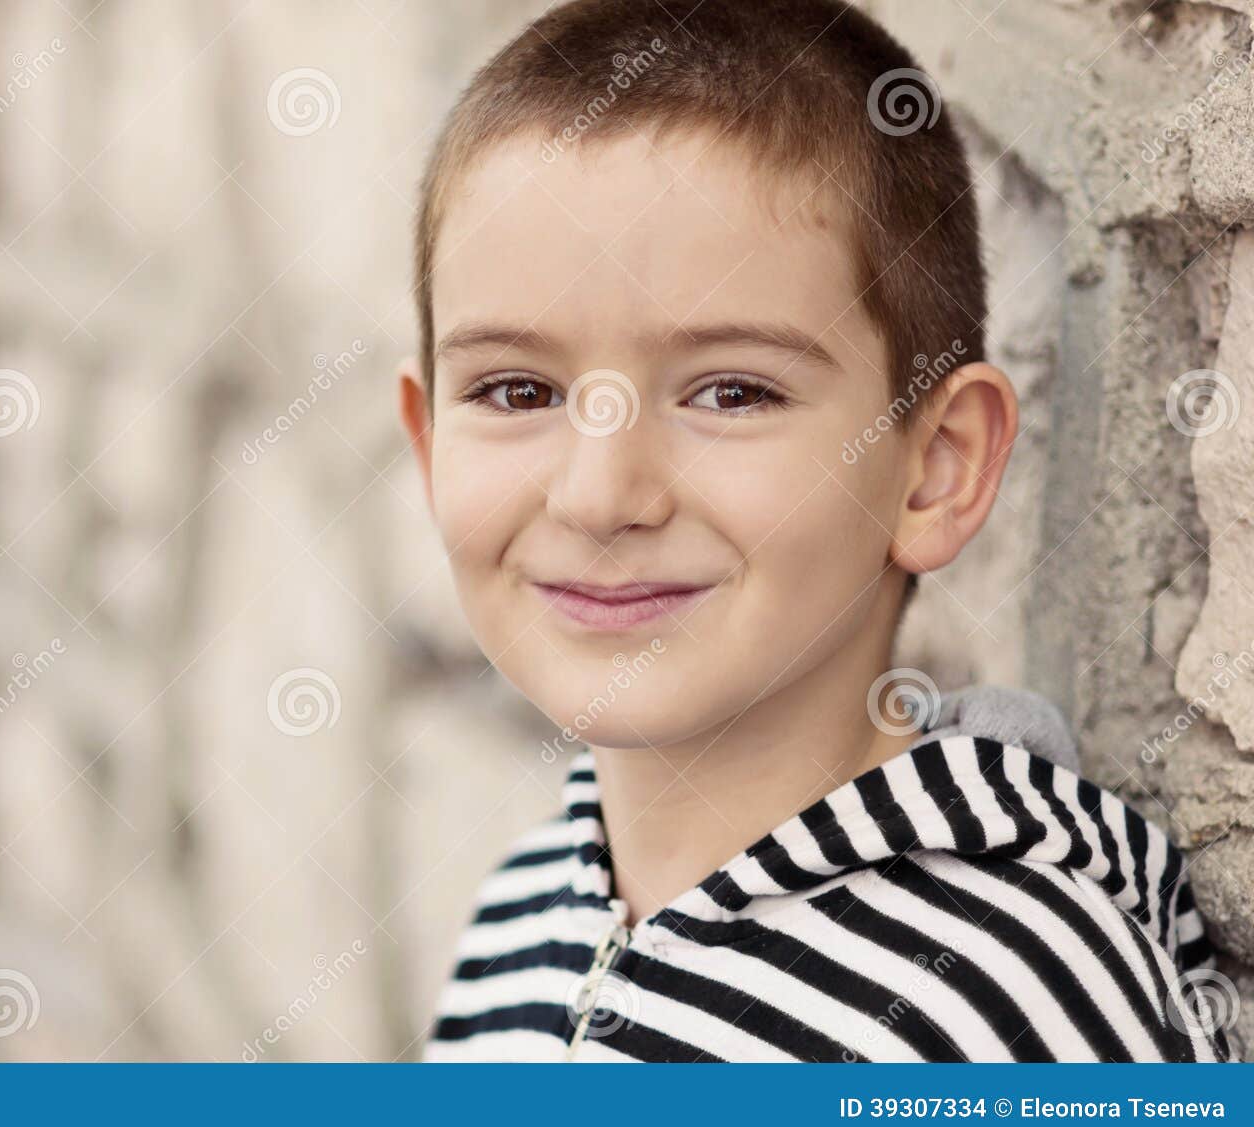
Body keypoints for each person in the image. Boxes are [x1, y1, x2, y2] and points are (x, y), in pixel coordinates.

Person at [397, 0, 1233, 1061]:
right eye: (518, 391)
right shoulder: (516, 925)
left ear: (934, 468)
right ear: (428, 445)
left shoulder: (1001, 999)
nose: (599, 496)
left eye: (732, 392)